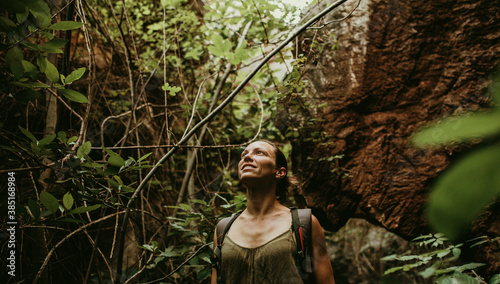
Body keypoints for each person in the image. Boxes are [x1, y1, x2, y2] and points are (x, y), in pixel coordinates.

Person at [211, 140, 335, 283]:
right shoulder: (223, 229)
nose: (246, 157)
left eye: (259, 152)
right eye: (244, 154)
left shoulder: (304, 223)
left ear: (280, 172)